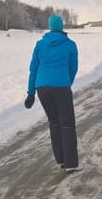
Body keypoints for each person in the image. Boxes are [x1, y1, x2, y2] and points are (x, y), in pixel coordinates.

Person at [24, 14, 83, 174]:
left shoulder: (40, 45)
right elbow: (73, 68)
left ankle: (61, 160)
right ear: (61, 26)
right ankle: (71, 163)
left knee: (54, 122)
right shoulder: (70, 45)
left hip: (42, 87)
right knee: (67, 124)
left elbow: (33, 69)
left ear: (50, 27)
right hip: (61, 86)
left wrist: (31, 93)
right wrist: (65, 82)